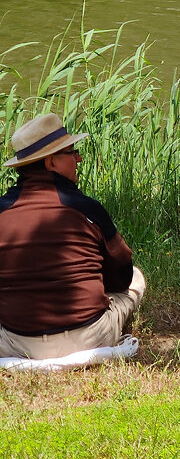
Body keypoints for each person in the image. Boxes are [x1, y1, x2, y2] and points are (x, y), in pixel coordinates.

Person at [0, 113, 146, 358]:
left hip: (16, 343)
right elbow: (123, 276)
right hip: (89, 338)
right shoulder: (86, 208)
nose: (78, 158)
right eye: (71, 151)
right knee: (137, 279)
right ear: (50, 162)